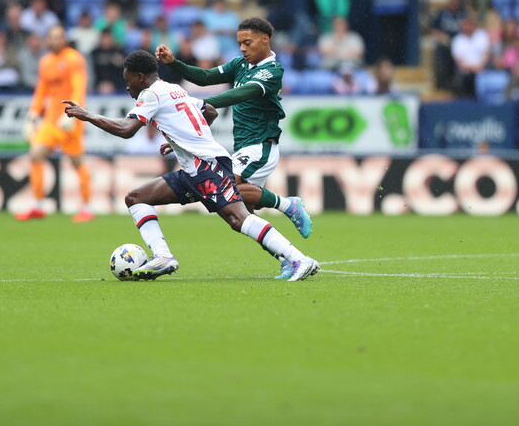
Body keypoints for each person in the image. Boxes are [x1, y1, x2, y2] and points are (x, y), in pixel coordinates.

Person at [62, 50, 319, 282]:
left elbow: (127, 129)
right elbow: (208, 111)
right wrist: (180, 141)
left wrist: (87, 115)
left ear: (140, 77)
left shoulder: (151, 94)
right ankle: (163, 257)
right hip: (194, 170)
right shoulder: (172, 88)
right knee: (136, 198)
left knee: (238, 218)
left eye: (128, 80)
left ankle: (299, 259)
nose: (127, 86)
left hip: (209, 166)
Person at [155, 18, 313, 275]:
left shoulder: (271, 71)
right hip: (242, 148)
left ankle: (287, 206)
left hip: (260, 145)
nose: (242, 49)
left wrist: (204, 104)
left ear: (265, 39)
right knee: (241, 218)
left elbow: (243, 93)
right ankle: (287, 258)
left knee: (230, 189)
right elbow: (206, 77)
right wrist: (175, 63)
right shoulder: (240, 64)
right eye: (239, 43)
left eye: (247, 43)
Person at [18, 26, 94, 223]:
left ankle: (86, 207)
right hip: (51, 120)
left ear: (64, 40)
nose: (54, 41)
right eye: (51, 38)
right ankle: (37, 205)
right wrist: (32, 115)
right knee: (35, 154)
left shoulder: (73, 59)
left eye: (58, 37)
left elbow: (79, 87)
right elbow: (41, 90)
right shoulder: (46, 62)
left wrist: (74, 112)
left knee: (77, 162)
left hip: (70, 119)